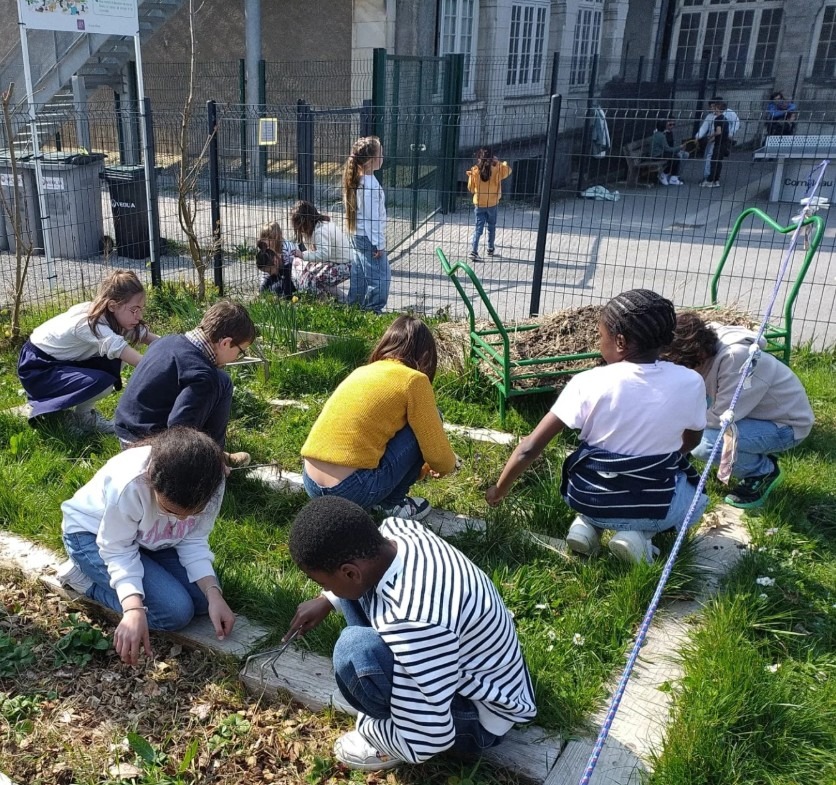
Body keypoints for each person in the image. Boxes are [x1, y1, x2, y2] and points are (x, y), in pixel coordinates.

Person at [284, 496, 537, 771]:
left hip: (478, 717)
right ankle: (397, 702)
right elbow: (357, 583)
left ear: (350, 573)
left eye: (323, 583)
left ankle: (388, 741)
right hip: (476, 671)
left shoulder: (415, 621)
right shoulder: (397, 531)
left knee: (354, 651)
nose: (325, 588)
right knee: (353, 602)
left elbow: (429, 739)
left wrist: (369, 727)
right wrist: (327, 599)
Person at [486, 290, 708, 565]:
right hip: (650, 502)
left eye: (600, 336)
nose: (598, 341)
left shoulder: (587, 382)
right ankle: (638, 534)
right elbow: (691, 442)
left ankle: (587, 525)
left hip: (588, 497)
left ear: (620, 342)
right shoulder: (691, 382)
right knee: (696, 495)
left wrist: (498, 490)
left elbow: (529, 448)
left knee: (604, 479)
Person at [57, 427, 234, 666]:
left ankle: (147, 574)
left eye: (193, 513)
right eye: (169, 510)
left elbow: (192, 539)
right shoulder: (129, 484)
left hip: (149, 539)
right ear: (151, 481)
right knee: (175, 613)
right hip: (93, 535)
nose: (181, 520)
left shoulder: (212, 482)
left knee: (204, 602)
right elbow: (117, 549)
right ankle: (82, 579)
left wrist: (214, 593)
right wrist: (133, 609)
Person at [301, 315, 457, 520]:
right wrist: (442, 465)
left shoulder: (362, 371)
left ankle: (373, 497)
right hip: (350, 490)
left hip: (311, 483)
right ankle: (392, 505)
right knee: (432, 418)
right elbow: (439, 458)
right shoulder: (414, 380)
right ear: (426, 355)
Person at [661, 312, 814, 509]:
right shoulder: (706, 351)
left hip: (785, 426)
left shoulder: (736, 359)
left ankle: (762, 471)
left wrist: (682, 434)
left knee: (706, 445)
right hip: (752, 415)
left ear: (697, 355)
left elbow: (721, 417)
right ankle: (747, 455)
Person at [114, 300, 256, 467]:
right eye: (240, 352)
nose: (237, 357)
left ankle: (214, 453)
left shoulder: (167, 341)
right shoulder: (203, 376)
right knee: (216, 382)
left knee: (223, 380)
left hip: (126, 431)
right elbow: (180, 432)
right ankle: (213, 464)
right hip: (150, 449)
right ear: (225, 343)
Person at [17, 270, 158, 434]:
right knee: (105, 381)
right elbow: (129, 354)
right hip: (38, 369)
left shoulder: (109, 314)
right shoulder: (90, 324)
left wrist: (177, 348)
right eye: (134, 310)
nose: (139, 316)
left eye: (141, 309)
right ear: (113, 306)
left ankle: (77, 415)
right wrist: (164, 369)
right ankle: (71, 417)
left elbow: (145, 336)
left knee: (116, 361)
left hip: (58, 362)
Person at [343, 136, 388, 313]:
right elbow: (372, 219)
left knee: (359, 275)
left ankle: (353, 309)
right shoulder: (369, 186)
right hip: (369, 238)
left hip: (358, 235)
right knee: (381, 279)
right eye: (380, 154)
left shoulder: (360, 179)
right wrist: (379, 244)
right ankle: (373, 311)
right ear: (370, 161)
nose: (383, 157)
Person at [289, 200, 352, 298]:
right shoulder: (315, 227)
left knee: (314, 279)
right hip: (332, 261)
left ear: (306, 221)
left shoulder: (321, 231)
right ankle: (338, 299)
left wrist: (302, 255)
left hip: (344, 264)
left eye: (300, 225)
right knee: (302, 267)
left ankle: (328, 301)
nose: (299, 229)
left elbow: (324, 254)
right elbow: (315, 251)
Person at [466, 147, 512, 261]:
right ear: (492, 158)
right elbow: (508, 170)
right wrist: (498, 162)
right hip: (492, 203)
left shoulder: (475, 171)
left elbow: (470, 188)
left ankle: (474, 251)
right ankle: (490, 248)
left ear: (479, 158)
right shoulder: (497, 169)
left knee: (478, 228)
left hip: (479, 204)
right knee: (491, 226)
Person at [695, 97, 739, 187]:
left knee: (713, 160)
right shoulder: (713, 116)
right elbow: (704, 127)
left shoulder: (725, 115)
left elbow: (733, 124)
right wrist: (698, 136)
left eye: (713, 106)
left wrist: (730, 133)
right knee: (715, 160)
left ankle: (710, 178)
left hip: (718, 141)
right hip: (719, 140)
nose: (712, 109)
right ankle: (714, 179)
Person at [256, 221, 296, 300]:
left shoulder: (286, 247)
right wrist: (262, 287)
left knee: (277, 288)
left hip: (289, 274)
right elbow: (266, 272)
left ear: (278, 238)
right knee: (265, 287)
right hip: (274, 273)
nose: (266, 241)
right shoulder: (265, 249)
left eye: (270, 238)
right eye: (263, 238)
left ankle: (284, 296)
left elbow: (290, 270)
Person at [700, 101, 730, 188]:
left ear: (717, 109)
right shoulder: (725, 119)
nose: (713, 109)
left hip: (718, 144)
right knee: (719, 162)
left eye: (715, 107)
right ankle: (716, 180)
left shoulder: (717, 119)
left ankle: (710, 180)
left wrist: (711, 135)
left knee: (714, 162)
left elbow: (718, 132)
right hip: (724, 143)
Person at [650, 119, 685, 186]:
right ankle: (669, 176)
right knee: (675, 158)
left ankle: (668, 175)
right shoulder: (662, 136)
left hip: (655, 154)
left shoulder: (656, 134)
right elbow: (668, 149)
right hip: (657, 155)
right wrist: (679, 147)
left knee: (672, 157)